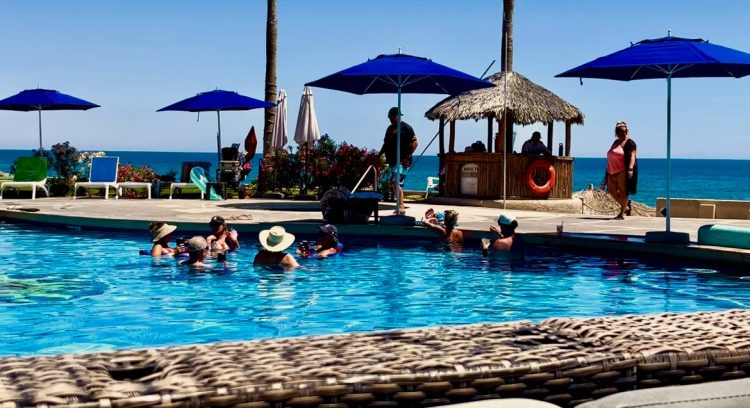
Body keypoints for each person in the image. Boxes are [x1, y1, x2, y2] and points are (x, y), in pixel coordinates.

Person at [379, 107, 418, 215]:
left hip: (402, 161)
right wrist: (379, 155)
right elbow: (385, 144)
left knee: (396, 182)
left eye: (390, 116)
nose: (389, 119)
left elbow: (415, 143)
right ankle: (399, 204)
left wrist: (407, 157)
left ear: (396, 116)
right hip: (392, 160)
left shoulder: (406, 128)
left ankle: (401, 206)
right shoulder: (390, 129)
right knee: (393, 183)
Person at [600, 121, 638, 220]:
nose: (621, 133)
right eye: (619, 132)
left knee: (623, 192)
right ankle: (625, 206)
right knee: (612, 191)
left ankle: (621, 214)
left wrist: (630, 169)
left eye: (623, 131)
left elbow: (632, 156)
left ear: (627, 131)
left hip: (622, 171)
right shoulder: (615, 142)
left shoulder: (630, 143)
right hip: (611, 170)